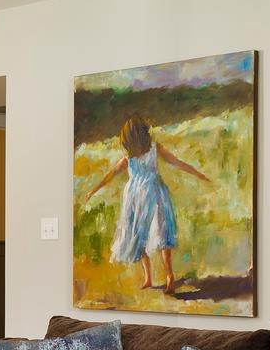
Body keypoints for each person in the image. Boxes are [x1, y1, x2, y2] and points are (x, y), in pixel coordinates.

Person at [83, 113, 213, 292]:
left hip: (145, 197)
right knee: (150, 235)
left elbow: (110, 176)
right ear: (144, 134)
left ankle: (161, 277)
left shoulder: (141, 154)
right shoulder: (139, 154)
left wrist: (199, 174)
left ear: (127, 139)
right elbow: (176, 163)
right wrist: (93, 190)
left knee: (151, 234)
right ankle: (156, 277)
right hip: (145, 197)